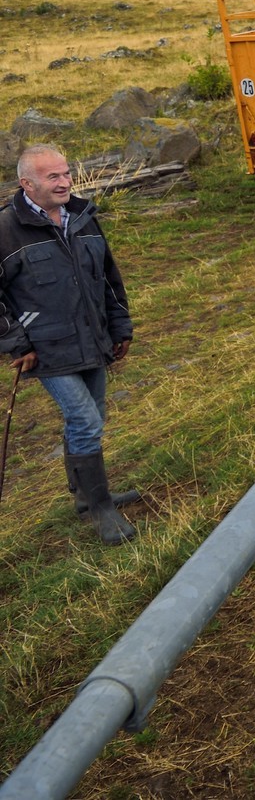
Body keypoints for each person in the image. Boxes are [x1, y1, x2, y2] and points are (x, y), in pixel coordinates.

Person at [0, 144, 140, 545]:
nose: (64, 182)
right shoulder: (6, 230)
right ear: (27, 183)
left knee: (92, 416)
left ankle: (85, 496)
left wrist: (120, 328)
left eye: (65, 174)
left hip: (93, 338)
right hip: (46, 349)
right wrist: (16, 343)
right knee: (85, 421)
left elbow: (108, 279)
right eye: (53, 177)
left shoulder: (83, 217)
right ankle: (101, 510)